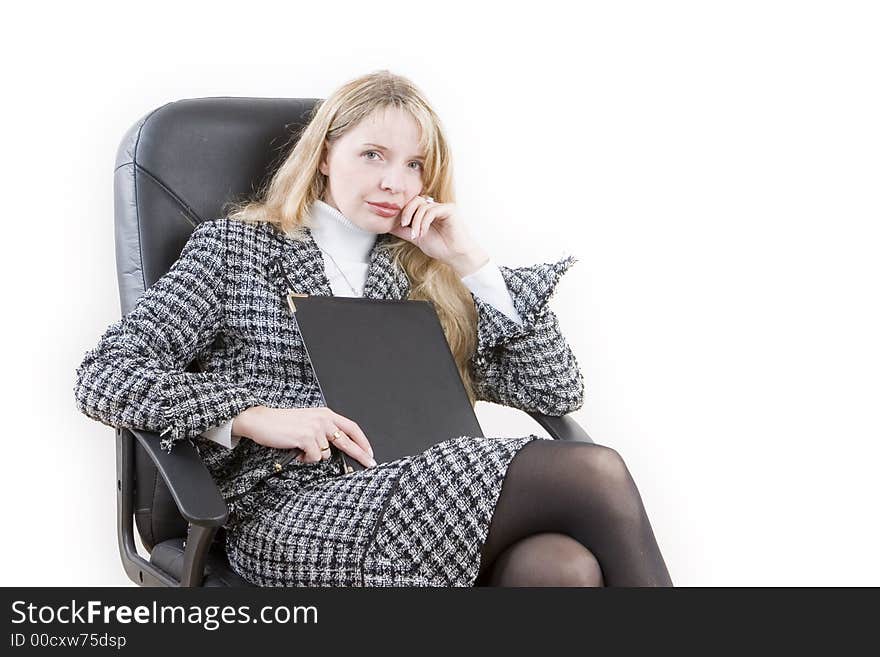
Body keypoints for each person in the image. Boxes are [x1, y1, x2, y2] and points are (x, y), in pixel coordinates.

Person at [74, 70, 673, 587]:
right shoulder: (236, 251)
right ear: (325, 154)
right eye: (373, 155)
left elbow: (555, 391)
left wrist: (474, 264)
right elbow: (104, 374)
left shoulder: (420, 273)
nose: (396, 182)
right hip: (290, 511)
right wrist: (252, 416)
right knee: (590, 469)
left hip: (419, 491)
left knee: (560, 566)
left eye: (416, 165)